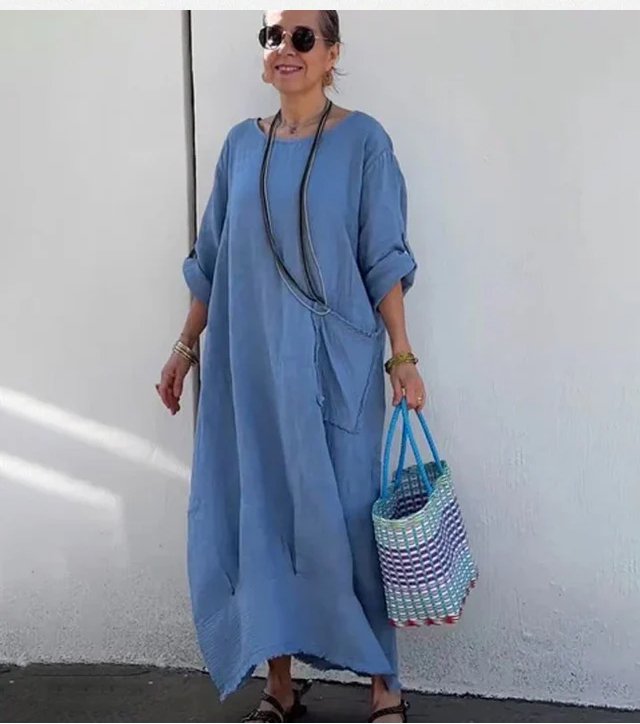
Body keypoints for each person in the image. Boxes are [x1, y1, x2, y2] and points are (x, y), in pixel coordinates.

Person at [156, 9, 426, 723]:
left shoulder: (365, 142)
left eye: (302, 37)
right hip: (249, 367)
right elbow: (212, 258)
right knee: (262, 512)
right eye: (273, 36)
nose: (285, 49)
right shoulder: (240, 146)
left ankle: (384, 685)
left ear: (332, 54)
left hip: (336, 366)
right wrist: (184, 347)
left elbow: (384, 256)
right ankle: (279, 684)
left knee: (350, 516)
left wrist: (402, 355)